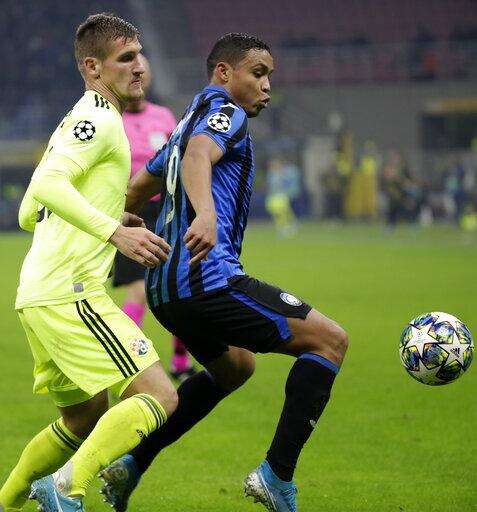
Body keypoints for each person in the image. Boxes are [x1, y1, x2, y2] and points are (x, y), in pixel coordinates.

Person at [100, 33, 348, 512]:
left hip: (166, 292)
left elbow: (136, 188)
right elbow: (199, 156)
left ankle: (132, 462)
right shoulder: (224, 113)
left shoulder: (180, 126)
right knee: (330, 341)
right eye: (258, 73)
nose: (267, 85)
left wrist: (107, 223)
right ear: (224, 73)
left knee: (236, 368)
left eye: (269, 75)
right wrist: (206, 214)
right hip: (206, 281)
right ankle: (277, 475)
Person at [0, 14, 178, 512]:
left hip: (37, 295)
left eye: (140, 54)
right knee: (160, 396)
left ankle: (7, 501)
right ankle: (66, 488)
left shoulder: (77, 119)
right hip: (72, 293)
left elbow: (27, 211)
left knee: (82, 419)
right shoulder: (100, 120)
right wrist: (114, 231)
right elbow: (46, 186)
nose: (139, 66)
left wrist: (107, 211)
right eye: (126, 58)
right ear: (93, 67)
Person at [115, 53, 196, 382]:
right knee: (138, 289)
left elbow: (179, 159)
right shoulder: (112, 120)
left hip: (166, 210)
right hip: (129, 212)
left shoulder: (163, 116)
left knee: (177, 287)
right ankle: (125, 360)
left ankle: (180, 361)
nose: (138, 75)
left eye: (143, 70)